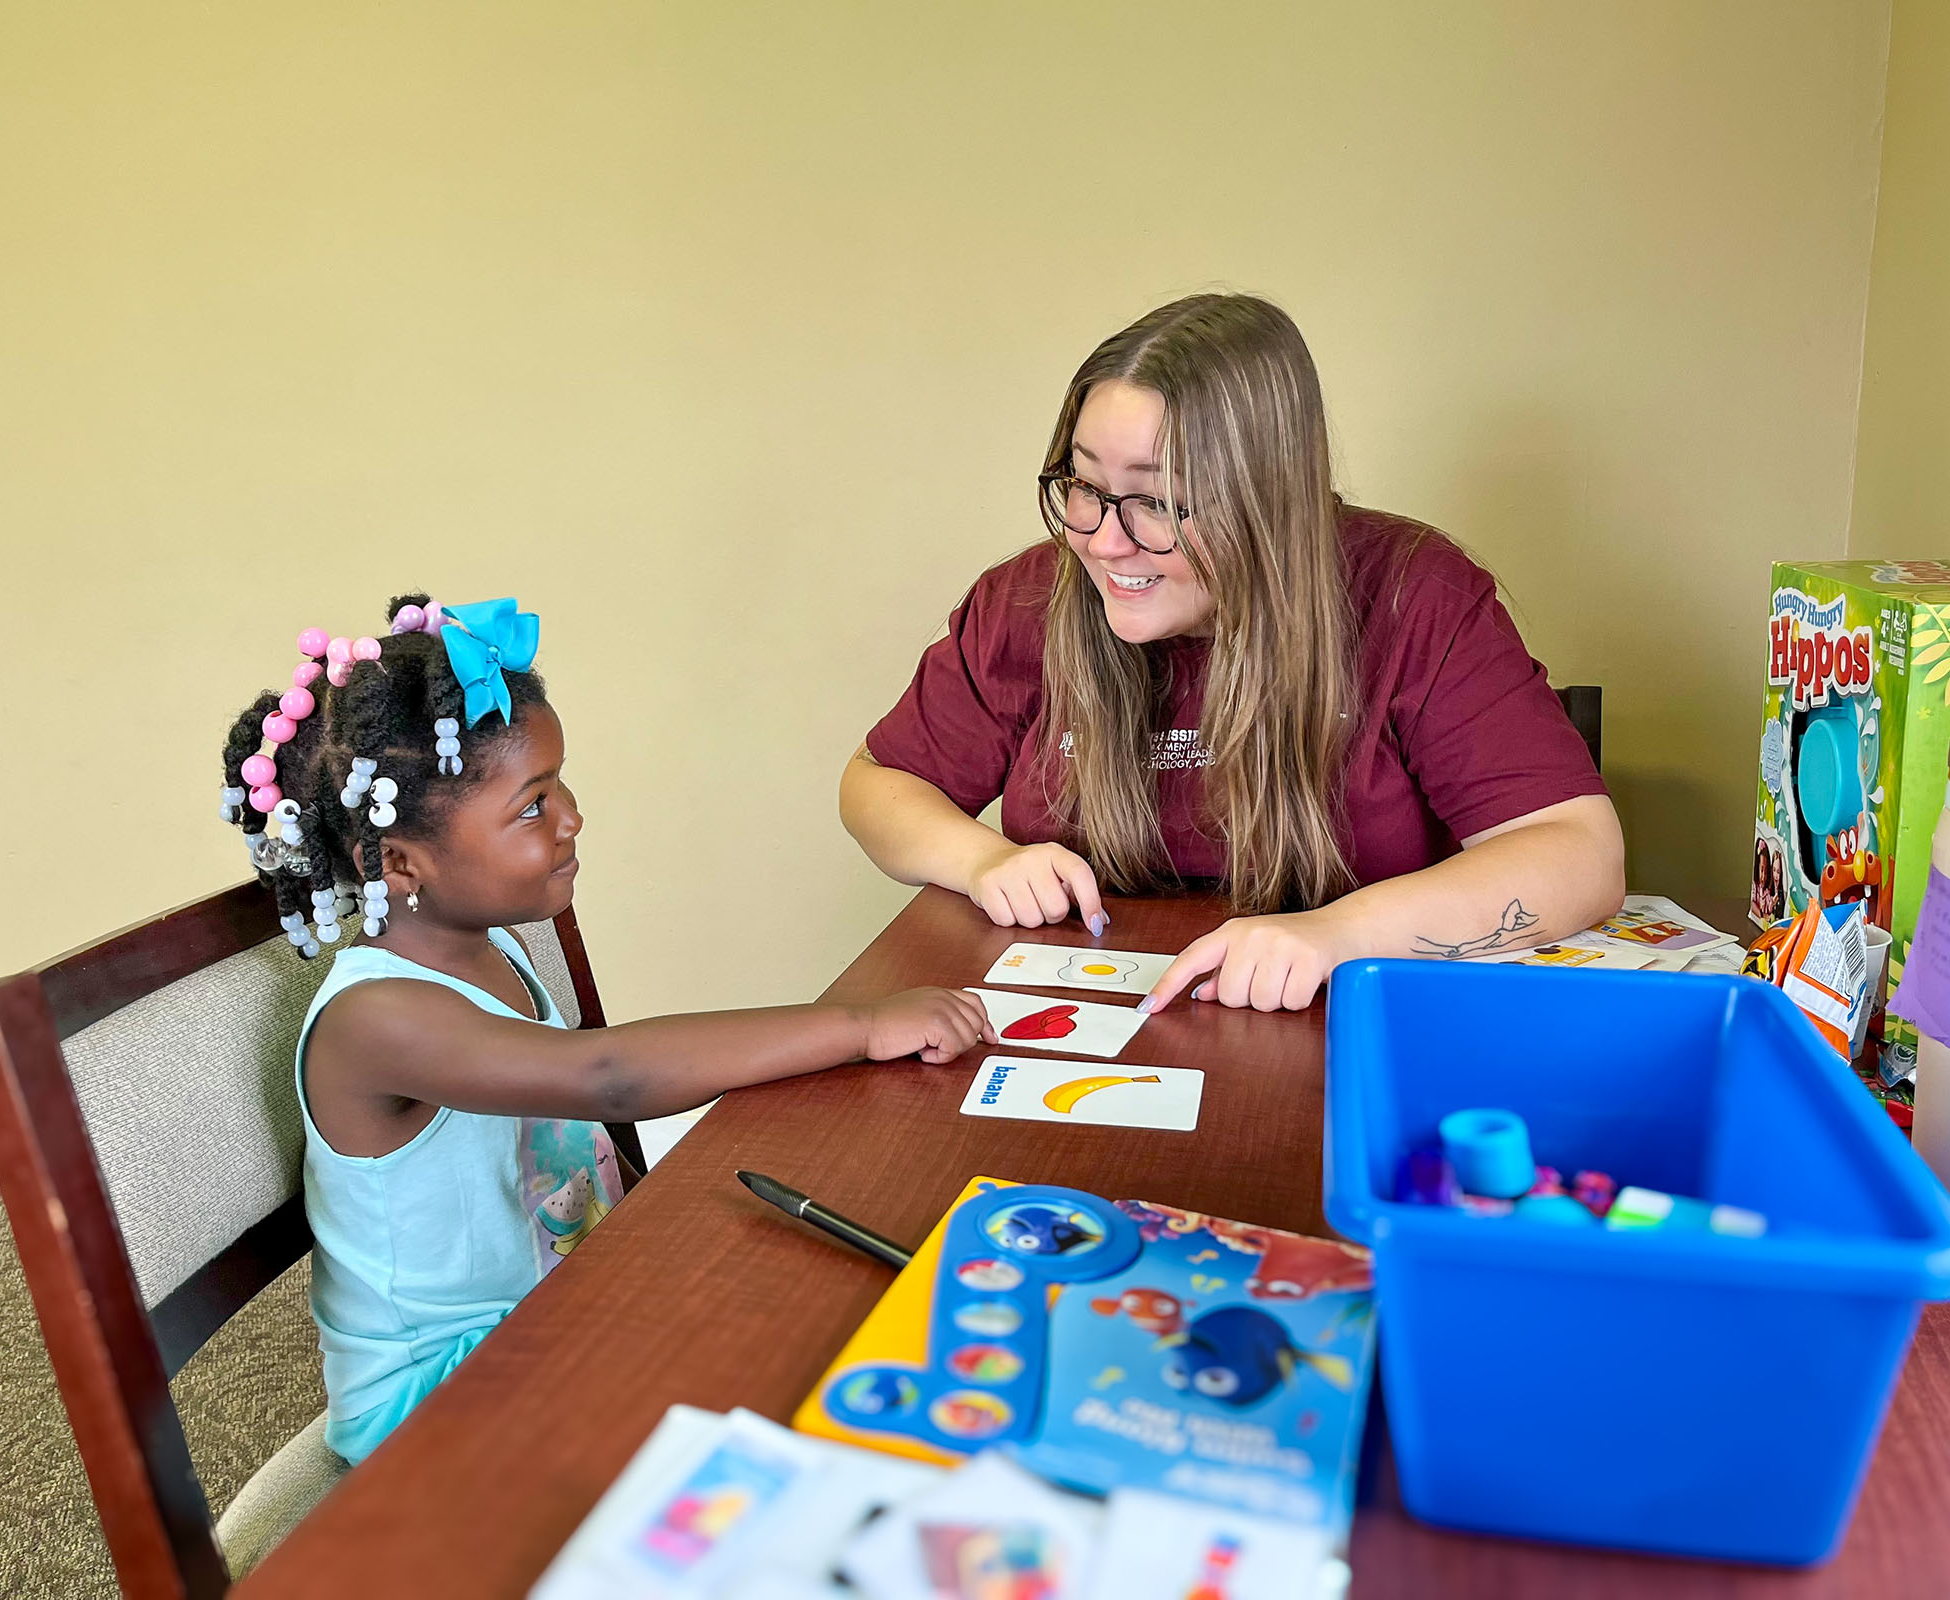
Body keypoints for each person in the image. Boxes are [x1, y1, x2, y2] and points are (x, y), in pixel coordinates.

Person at [218, 593, 990, 1463]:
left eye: (559, 784)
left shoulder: (493, 948)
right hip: (437, 1402)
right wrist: (858, 1023)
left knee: (819, 1331)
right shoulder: (375, 1019)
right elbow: (606, 1076)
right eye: (531, 806)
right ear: (401, 864)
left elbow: (575, 1143)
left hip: (567, 1307)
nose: (572, 816)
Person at [840, 294, 1624, 1014]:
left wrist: (1337, 935)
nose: (1105, 542)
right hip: (1101, 1022)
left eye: (1156, 501)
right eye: (1083, 486)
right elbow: (876, 786)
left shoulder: (1413, 595)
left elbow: (1580, 855)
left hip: (1352, 1027)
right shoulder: (1026, 600)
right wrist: (979, 860)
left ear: (1267, 498)